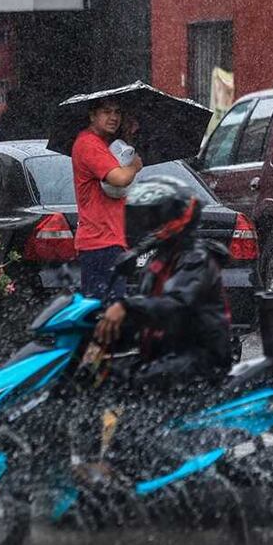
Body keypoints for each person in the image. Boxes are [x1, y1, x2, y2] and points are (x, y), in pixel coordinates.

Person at [93, 176, 233, 392]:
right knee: (99, 374)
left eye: (154, 216)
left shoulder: (196, 258)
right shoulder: (157, 259)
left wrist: (127, 306)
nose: (149, 224)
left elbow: (176, 303)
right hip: (163, 351)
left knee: (135, 382)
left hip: (199, 356)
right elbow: (145, 312)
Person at [71, 98, 144, 301]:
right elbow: (119, 178)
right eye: (106, 111)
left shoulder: (104, 145)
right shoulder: (89, 144)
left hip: (109, 240)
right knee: (105, 313)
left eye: (117, 112)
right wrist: (134, 167)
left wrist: (129, 136)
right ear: (92, 115)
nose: (113, 117)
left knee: (107, 312)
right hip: (100, 243)